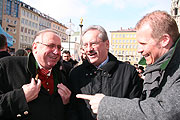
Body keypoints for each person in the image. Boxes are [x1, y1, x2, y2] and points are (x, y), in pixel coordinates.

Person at [76, 10, 180, 120]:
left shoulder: (129, 72)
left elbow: (166, 112)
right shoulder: (155, 65)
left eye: (143, 43)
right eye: (85, 45)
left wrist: (106, 105)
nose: (138, 50)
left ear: (164, 40)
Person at [68, 25, 143, 120]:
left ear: (107, 44)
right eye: (85, 45)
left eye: (93, 44)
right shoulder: (75, 73)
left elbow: (136, 108)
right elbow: (71, 109)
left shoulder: (128, 72)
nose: (89, 49)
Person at [0, 29, 71, 120]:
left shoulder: (62, 75)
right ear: (35, 47)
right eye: (51, 46)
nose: (56, 52)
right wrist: (21, 97)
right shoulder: (7, 66)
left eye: (59, 47)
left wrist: (66, 103)